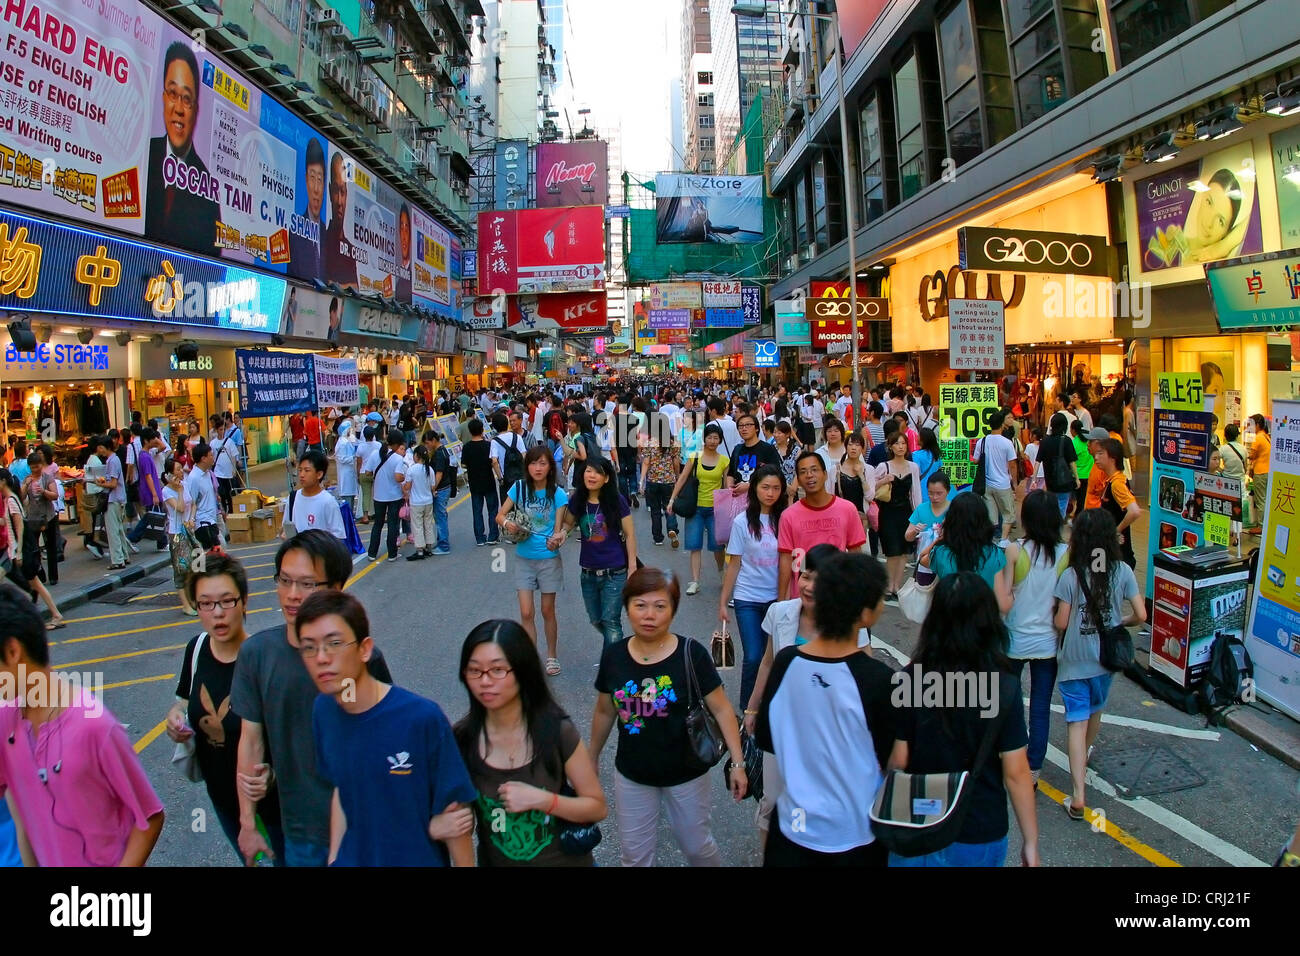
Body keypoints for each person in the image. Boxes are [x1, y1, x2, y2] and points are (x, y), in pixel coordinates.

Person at [231, 531, 394, 867]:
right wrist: (248, 823)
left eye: (307, 584)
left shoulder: (363, 658)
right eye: (285, 581)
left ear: (336, 589)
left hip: (362, 825)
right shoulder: (258, 654)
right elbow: (251, 740)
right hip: (299, 833)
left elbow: (386, 739)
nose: (292, 595)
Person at [297, 590, 474, 866]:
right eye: (309, 647)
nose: (321, 657)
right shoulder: (323, 711)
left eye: (334, 643)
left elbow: (456, 819)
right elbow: (341, 789)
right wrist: (334, 857)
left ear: (365, 649)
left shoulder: (421, 719)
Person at [590, 568, 746, 866]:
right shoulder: (615, 656)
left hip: (686, 772)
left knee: (697, 847)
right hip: (633, 773)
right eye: (640, 605)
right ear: (627, 608)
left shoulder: (692, 653)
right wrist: (591, 756)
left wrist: (737, 763)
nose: (649, 615)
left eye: (660, 606)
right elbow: (604, 709)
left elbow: (722, 709)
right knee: (635, 857)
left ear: (673, 610)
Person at [0, 584, 164, 865]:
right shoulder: (6, 721)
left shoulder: (94, 726)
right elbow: (19, 806)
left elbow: (149, 816)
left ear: (13, 651)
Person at [887, 572, 1039, 867]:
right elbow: (1016, 772)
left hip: (917, 822)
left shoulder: (910, 679)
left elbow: (899, 758)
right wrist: (1031, 842)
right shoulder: (1003, 685)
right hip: (979, 826)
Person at [757, 551, 893, 866]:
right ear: (866, 614)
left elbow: (768, 739)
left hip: (792, 828)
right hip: (857, 833)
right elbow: (893, 760)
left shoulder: (786, 662)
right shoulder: (879, 680)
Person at [452, 620, 607, 867]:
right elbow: (458, 823)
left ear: (523, 672)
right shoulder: (462, 739)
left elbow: (596, 807)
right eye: (474, 670)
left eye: (497, 670)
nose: (485, 681)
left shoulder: (556, 730)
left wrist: (543, 801)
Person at [165, 554, 286, 863]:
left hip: (270, 803)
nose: (217, 614)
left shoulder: (261, 659)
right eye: (206, 603)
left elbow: (286, 736)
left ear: (244, 602)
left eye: (226, 601)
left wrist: (272, 773)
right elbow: (183, 698)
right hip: (221, 798)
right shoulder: (196, 649)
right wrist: (176, 716)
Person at [1054, 509, 1145, 820]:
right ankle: (1085, 756)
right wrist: (1118, 623)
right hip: (1105, 659)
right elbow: (1141, 615)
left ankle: (1078, 794)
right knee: (1095, 710)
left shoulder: (1071, 575)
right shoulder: (1122, 570)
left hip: (1074, 661)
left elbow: (1062, 621)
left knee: (1075, 722)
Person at [1003, 491, 1068, 786]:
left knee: (1009, 703)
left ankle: (1008, 756)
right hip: (1049, 642)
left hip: (1015, 640)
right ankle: (1033, 770)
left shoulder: (1015, 551)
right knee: (1040, 707)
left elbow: (1005, 598)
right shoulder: (1066, 554)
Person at [719, 465, 786, 710]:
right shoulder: (741, 521)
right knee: (754, 656)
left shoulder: (785, 519)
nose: (770, 493)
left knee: (775, 656)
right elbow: (734, 563)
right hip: (747, 598)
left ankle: (768, 702)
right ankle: (748, 708)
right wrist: (723, 601)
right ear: (755, 488)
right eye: (765, 487)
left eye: (776, 488)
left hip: (777, 599)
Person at [550, 457, 636, 647]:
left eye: (597, 472)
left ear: (606, 479)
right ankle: (621, 653)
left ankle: (611, 669)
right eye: (588, 471)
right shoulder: (578, 500)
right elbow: (568, 524)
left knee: (611, 622)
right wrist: (562, 534)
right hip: (588, 572)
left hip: (614, 572)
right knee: (596, 620)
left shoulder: (617, 500)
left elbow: (630, 534)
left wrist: (632, 568)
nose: (591, 475)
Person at [145, 42, 221, 253]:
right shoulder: (144, 157)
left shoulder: (208, 192)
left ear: (196, 110)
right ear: (163, 98)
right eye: (172, 94)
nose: (178, 109)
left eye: (186, 99)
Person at [497, 447, 567, 674]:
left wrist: (556, 540)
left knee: (548, 610)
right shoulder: (518, 488)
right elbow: (500, 515)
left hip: (548, 559)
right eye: (534, 463)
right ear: (527, 466)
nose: (538, 468)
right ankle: (530, 659)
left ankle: (552, 656)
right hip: (524, 558)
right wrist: (509, 524)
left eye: (543, 464)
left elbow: (558, 530)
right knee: (526, 612)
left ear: (550, 467)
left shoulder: (557, 494)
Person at [777, 450, 867, 599]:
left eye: (814, 470)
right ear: (798, 479)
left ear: (825, 474)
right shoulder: (788, 516)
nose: (809, 475)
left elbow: (855, 555)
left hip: (837, 593)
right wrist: (781, 602)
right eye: (803, 472)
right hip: (802, 596)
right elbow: (786, 560)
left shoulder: (847, 509)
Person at [921, 491, 1013, 613]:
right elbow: (1003, 605)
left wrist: (939, 539)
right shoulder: (994, 555)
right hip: (981, 624)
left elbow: (922, 558)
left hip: (948, 624)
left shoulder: (942, 554)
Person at [667, 422, 730, 596]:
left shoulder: (725, 461)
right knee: (694, 545)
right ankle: (695, 581)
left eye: (716, 438)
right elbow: (682, 478)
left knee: (717, 546)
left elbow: (726, 487)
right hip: (695, 508)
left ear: (720, 440)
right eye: (709, 437)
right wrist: (672, 499)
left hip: (715, 509)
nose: (712, 441)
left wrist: (728, 508)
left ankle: (721, 571)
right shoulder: (695, 456)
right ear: (704, 439)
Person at [0, 468, 62, 626]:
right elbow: (6, 523)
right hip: (14, 551)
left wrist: (19, 551)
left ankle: (54, 615)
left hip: (20, 551)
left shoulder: (12, 500)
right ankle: (45, 614)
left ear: (3, 482)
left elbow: (19, 526)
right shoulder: (9, 500)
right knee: (33, 586)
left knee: (35, 586)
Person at [874, 431, 923, 601]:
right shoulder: (883, 466)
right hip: (888, 513)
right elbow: (871, 489)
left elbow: (916, 492)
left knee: (903, 551)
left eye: (903, 443)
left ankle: (896, 586)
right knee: (891, 551)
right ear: (891, 446)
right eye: (897, 444)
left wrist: (918, 515)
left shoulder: (913, 466)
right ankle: (888, 585)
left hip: (906, 513)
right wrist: (883, 480)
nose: (900, 447)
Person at [973, 411, 1019, 542]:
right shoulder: (1006, 443)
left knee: (992, 516)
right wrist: (1014, 483)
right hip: (1003, 484)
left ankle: (992, 540)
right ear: (1002, 424)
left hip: (987, 484)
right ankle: (1004, 540)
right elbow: (1013, 465)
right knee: (1008, 514)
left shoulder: (982, 441)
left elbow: (975, 460)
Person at [1094, 438, 1140, 568]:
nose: (1096, 457)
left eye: (1101, 453)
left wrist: (1115, 532)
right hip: (1110, 553)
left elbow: (1135, 511)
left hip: (1117, 557)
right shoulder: (1113, 480)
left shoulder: (1117, 484)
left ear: (1112, 458)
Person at [87, 438, 132, 571]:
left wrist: (99, 483)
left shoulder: (112, 461)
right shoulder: (114, 460)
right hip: (118, 498)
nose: (99, 450)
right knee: (118, 529)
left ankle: (117, 561)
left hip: (113, 499)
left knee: (113, 531)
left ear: (105, 447)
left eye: (100, 447)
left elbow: (112, 483)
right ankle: (124, 556)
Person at [160, 457, 197, 616]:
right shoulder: (166, 491)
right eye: (177, 470)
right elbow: (180, 508)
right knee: (181, 569)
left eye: (182, 468)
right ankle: (185, 604)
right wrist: (180, 491)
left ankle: (193, 599)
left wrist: (192, 519)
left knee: (196, 566)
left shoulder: (186, 484)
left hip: (189, 531)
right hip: (177, 533)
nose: (181, 472)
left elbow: (193, 503)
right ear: (169, 474)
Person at [282, 450, 346, 541]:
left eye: (307, 470)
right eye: (300, 470)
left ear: (319, 474)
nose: (302, 475)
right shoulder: (293, 498)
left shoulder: (328, 502)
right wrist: (285, 535)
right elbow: (285, 527)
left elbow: (338, 536)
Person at [640, 411, 681, 548]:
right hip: (668, 480)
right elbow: (676, 462)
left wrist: (642, 481)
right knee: (669, 506)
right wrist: (677, 476)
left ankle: (658, 537)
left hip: (653, 480)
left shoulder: (649, 443)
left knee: (655, 510)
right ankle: (671, 528)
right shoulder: (673, 443)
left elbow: (646, 462)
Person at [288, 138, 326, 280]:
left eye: (320, 179)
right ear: (305, 179)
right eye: (312, 177)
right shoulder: (294, 236)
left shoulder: (329, 238)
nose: (316, 189)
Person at [366, 432, 407, 563]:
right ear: (396, 444)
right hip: (394, 496)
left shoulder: (374, 454)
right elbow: (398, 477)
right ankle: (392, 554)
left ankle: (372, 553)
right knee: (393, 524)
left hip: (378, 495)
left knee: (377, 525)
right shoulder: (398, 458)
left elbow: (367, 472)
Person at [905, 470, 952, 585]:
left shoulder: (954, 509)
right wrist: (915, 531)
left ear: (948, 491)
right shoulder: (921, 509)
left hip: (947, 562)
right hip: (924, 563)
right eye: (930, 493)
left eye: (939, 493)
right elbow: (908, 537)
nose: (934, 497)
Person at [322, 151, 359, 288]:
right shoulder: (322, 241)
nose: (339, 201)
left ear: (347, 195)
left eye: (342, 192)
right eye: (336, 191)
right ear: (330, 192)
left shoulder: (350, 251)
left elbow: (357, 291)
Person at [462, 417, 500, 547]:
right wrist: (499, 477)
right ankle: (493, 535)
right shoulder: (488, 445)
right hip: (488, 481)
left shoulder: (466, 447)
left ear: (470, 431)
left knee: (477, 510)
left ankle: (480, 537)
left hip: (474, 482)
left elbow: (464, 465)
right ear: (482, 430)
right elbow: (494, 462)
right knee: (492, 509)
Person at [835, 433, 876, 547]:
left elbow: (870, 497)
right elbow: (830, 495)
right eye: (850, 444)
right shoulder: (836, 469)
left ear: (862, 448)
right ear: (845, 447)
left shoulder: (869, 469)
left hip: (861, 519)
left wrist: (861, 476)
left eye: (857, 445)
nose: (853, 448)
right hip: (839, 518)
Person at [725, 412, 782, 492]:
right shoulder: (737, 449)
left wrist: (750, 486)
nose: (744, 428)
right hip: (738, 499)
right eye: (741, 426)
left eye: (748, 425)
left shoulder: (768, 449)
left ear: (756, 428)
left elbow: (775, 474)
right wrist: (730, 487)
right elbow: (731, 474)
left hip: (759, 499)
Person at [1039, 413, 1080, 519]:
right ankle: (1058, 528)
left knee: (1052, 506)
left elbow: (1038, 460)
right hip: (1064, 481)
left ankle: (1052, 527)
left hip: (1050, 482)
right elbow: (1072, 462)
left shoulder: (1044, 441)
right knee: (1062, 506)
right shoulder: (1066, 440)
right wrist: (1077, 478)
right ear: (1065, 426)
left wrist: (1034, 479)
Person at [1246, 413, 1270, 534]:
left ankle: (1261, 526)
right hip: (1267, 472)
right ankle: (1264, 523)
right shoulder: (1266, 436)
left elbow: (1252, 455)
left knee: (1260, 500)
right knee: (1265, 499)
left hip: (1260, 472)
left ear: (1258, 425)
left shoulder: (1258, 438)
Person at [814, 418, 848, 495]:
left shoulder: (850, 451)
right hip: (825, 494)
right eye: (829, 431)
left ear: (842, 433)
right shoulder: (819, 453)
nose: (832, 434)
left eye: (836, 431)